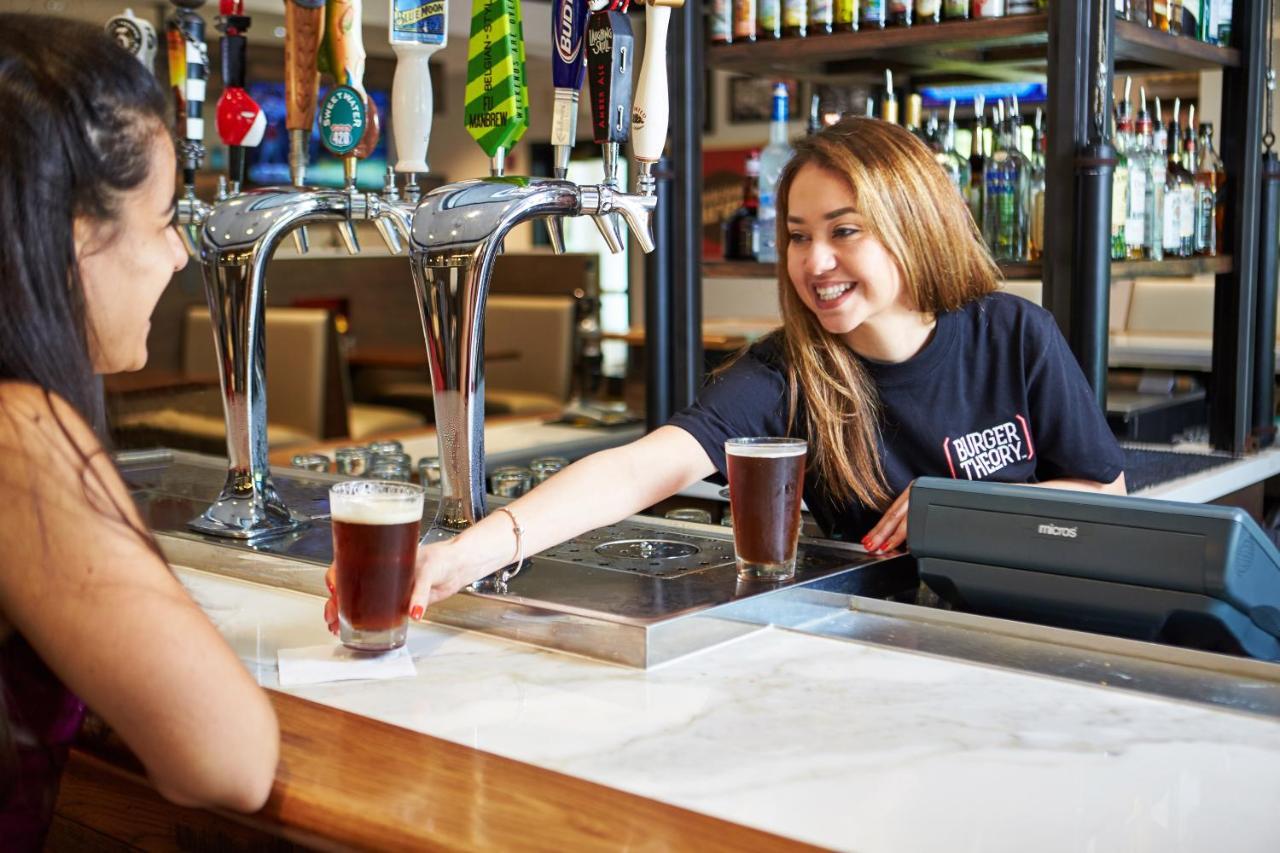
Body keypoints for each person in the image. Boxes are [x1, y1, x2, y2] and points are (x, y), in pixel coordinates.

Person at [324, 117, 1125, 628]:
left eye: (844, 231)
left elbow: (1105, 497)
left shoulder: (1012, 332)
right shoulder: (792, 369)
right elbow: (644, 465)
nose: (815, 262)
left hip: (1028, 627)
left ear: (912, 225)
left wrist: (966, 508)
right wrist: (464, 553)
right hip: (883, 640)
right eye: (798, 235)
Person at [0, 15, 279, 848]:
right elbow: (227, 757)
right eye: (162, 218)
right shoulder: (20, 433)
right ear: (75, 235)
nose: (179, 257)